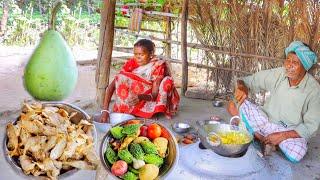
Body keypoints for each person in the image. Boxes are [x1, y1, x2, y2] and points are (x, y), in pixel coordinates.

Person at [228, 41, 319, 162]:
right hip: (266, 121)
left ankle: (258, 136)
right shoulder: (279, 74)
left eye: (295, 62)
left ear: (305, 67)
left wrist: (282, 136)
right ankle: (263, 139)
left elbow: (310, 126)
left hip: (289, 131)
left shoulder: (314, 90)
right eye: (288, 60)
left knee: (297, 152)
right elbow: (247, 81)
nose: (289, 66)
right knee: (233, 105)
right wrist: (241, 87)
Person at [100, 39, 180, 122]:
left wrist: (140, 97)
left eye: (141, 54)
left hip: (149, 100)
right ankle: (127, 109)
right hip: (133, 100)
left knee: (168, 80)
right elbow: (111, 86)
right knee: (121, 77)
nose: (138, 57)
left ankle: (152, 111)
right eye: (135, 54)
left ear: (151, 54)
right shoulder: (131, 63)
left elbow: (154, 95)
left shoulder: (158, 65)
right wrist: (105, 111)